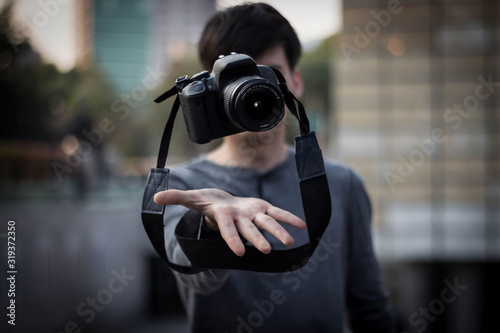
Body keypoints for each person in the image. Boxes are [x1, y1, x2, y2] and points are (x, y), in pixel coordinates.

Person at [153, 3, 395, 332]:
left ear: (295, 82)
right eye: (235, 82)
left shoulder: (341, 184)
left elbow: (369, 306)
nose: (254, 93)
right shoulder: (182, 189)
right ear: (209, 96)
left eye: (269, 75)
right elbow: (198, 279)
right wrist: (209, 223)